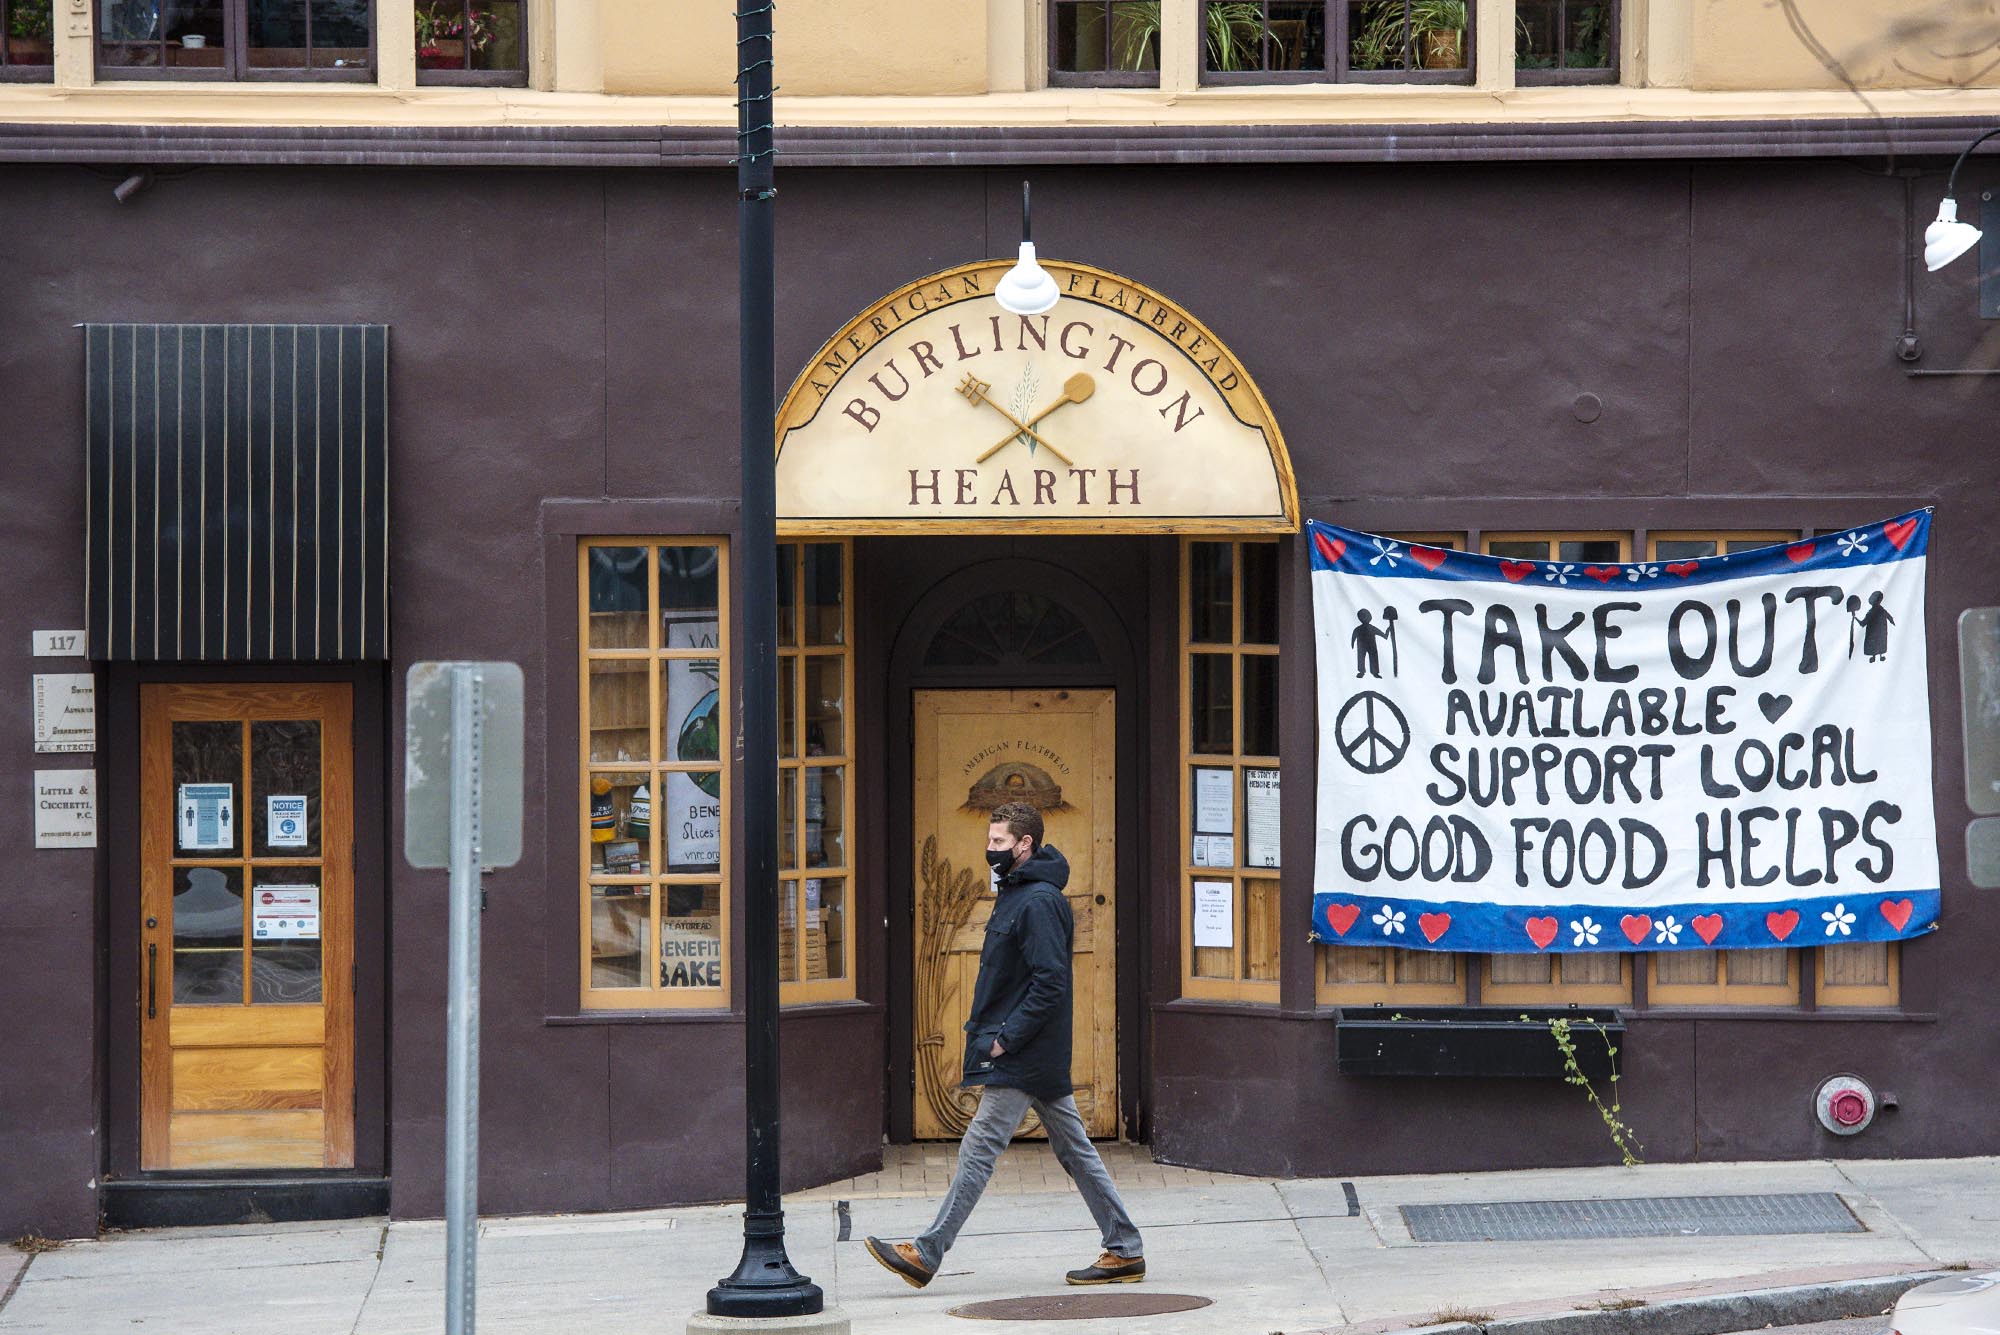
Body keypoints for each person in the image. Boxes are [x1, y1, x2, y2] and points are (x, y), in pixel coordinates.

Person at [864, 801, 1145, 1290]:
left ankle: (926, 1253)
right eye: (989, 840)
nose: (989, 849)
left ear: (1024, 845)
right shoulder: (1016, 895)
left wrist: (1004, 1041)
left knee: (978, 1147)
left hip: (1022, 1052)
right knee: (1076, 1150)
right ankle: (1124, 1248)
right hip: (1027, 1049)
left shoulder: (1038, 902)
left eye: (998, 842)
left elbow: (1050, 983)